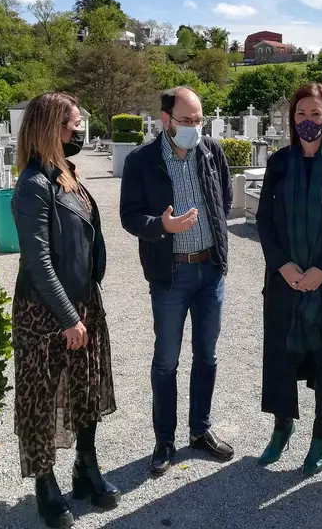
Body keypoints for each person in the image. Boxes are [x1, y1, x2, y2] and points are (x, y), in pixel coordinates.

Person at [11, 92, 120, 528]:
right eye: (72, 125)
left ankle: (85, 468)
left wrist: (83, 309)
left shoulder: (66, 174)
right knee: (41, 397)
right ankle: (45, 483)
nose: (79, 131)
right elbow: (36, 261)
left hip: (83, 302)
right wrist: (67, 318)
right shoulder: (32, 185)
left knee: (85, 389)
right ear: (50, 128)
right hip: (46, 313)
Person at [119, 86, 235, 476]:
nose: (194, 127)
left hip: (210, 271)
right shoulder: (142, 160)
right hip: (171, 274)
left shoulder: (210, 151)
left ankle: (200, 431)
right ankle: (164, 441)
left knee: (207, 355)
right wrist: (162, 226)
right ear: (165, 119)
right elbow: (130, 216)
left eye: (199, 120)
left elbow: (224, 198)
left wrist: (218, 249)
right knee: (166, 360)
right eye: (186, 121)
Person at [255, 83, 322, 476]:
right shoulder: (279, 162)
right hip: (285, 279)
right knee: (282, 354)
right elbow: (264, 220)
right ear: (292, 118)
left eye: (316, 115)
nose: (308, 122)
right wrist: (282, 265)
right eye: (301, 114)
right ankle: (282, 427)